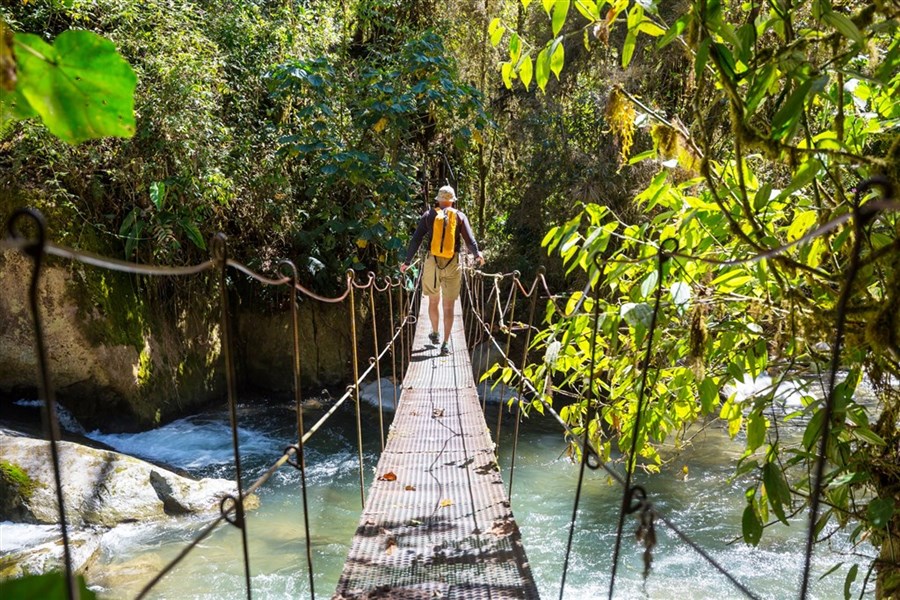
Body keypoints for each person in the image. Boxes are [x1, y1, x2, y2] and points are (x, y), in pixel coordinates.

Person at [400, 185, 484, 356]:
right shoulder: (460, 216)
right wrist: (477, 255)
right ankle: (445, 344)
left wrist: (407, 261)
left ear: (438, 199)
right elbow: (470, 240)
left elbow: (416, 239)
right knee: (449, 306)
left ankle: (435, 332)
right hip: (453, 262)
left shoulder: (429, 215)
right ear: (452, 201)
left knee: (432, 301)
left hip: (433, 262)